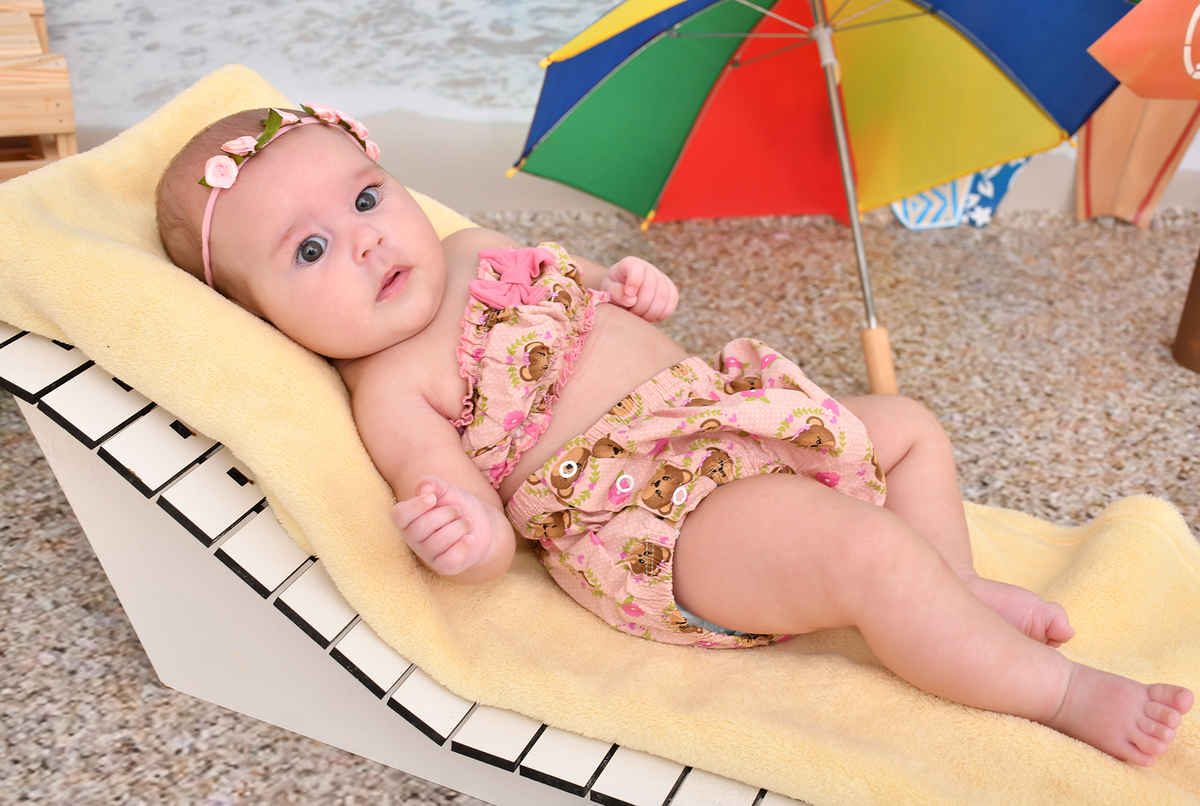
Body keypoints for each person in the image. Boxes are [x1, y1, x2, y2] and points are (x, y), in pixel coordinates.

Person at [156, 105, 1192, 766]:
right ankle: (1061, 694)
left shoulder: (473, 244)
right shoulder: (391, 386)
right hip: (659, 516)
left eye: (366, 197)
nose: (367, 239)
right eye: (310, 250)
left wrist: (632, 288)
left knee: (911, 430)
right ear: (263, 319)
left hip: (724, 416)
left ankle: (954, 591)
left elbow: (591, 292)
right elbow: (470, 517)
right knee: (865, 552)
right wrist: (460, 539)